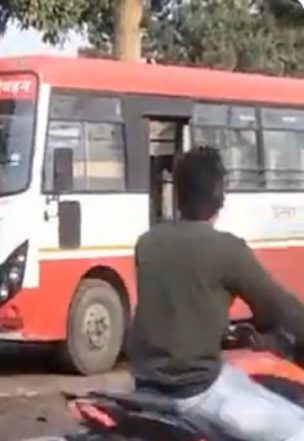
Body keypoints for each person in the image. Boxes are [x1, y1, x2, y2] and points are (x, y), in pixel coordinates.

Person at [128, 146, 304, 440]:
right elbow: (279, 307)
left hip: (146, 385)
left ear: (178, 195)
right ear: (219, 197)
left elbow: (179, 307)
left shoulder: (147, 243)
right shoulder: (227, 249)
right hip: (196, 392)